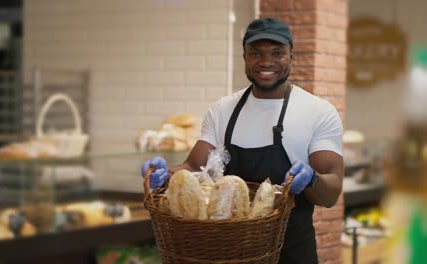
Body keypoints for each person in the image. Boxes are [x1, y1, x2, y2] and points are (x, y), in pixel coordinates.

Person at [141, 17, 343, 264]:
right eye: (255, 53)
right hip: (227, 254)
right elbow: (193, 168)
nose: (266, 62)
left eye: (277, 53)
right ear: (245, 57)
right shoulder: (223, 110)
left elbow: (331, 194)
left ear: (291, 56)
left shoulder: (318, 111)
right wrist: (164, 174)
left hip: (290, 255)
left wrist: (312, 179)